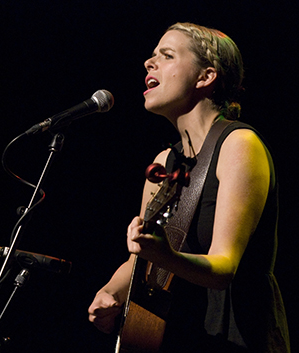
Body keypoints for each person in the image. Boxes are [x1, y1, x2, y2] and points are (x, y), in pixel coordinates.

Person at [88, 23, 290, 352]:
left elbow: (224, 267)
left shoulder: (239, 144)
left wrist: (165, 255)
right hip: (176, 330)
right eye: (152, 56)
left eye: (166, 55)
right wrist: (110, 291)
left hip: (233, 330)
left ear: (205, 76)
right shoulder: (163, 161)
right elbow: (140, 258)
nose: (148, 63)